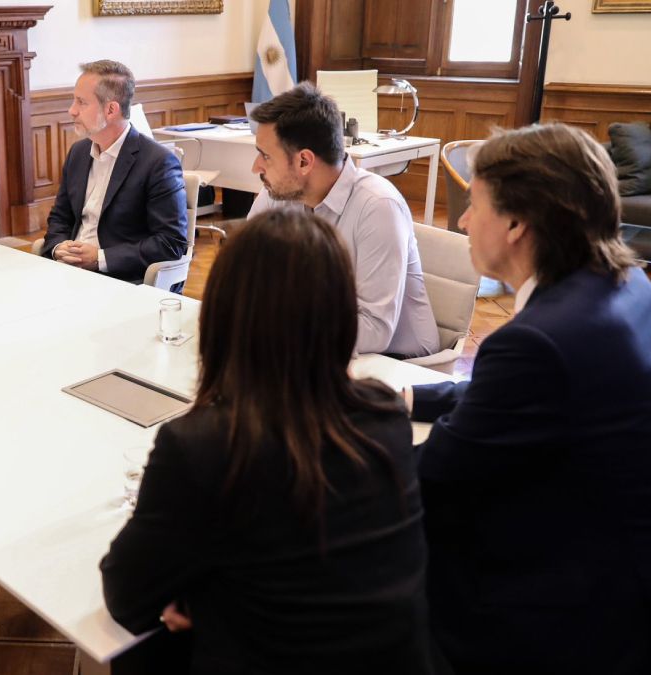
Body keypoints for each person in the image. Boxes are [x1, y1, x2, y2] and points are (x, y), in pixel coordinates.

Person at [101, 209, 433, 675]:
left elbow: (126, 597)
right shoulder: (385, 414)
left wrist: (204, 598)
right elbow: (325, 569)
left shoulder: (201, 447)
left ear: (224, 317)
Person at [407, 123, 651, 674]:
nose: (463, 221)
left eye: (475, 205)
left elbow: (433, 478)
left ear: (517, 224)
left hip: (560, 612)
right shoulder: (624, 285)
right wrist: (410, 398)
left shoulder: (538, 342)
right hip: (618, 565)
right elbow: (529, 397)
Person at [247, 83, 438, 358]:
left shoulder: (378, 206)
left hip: (399, 363)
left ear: (304, 161)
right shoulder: (277, 195)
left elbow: (375, 329)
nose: (256, 167)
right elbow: (247, 278)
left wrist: (282, 330)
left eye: (265, 156)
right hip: (321, 350)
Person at [42, 60, 188, 284]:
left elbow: (171, 243)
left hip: (121, 280)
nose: (72, 111)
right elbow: (60, 218)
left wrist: (100, 258)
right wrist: (58, 247)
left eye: (81, 102)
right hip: (69, 272)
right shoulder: (78, 153)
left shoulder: (158, 162)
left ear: (111, 110)